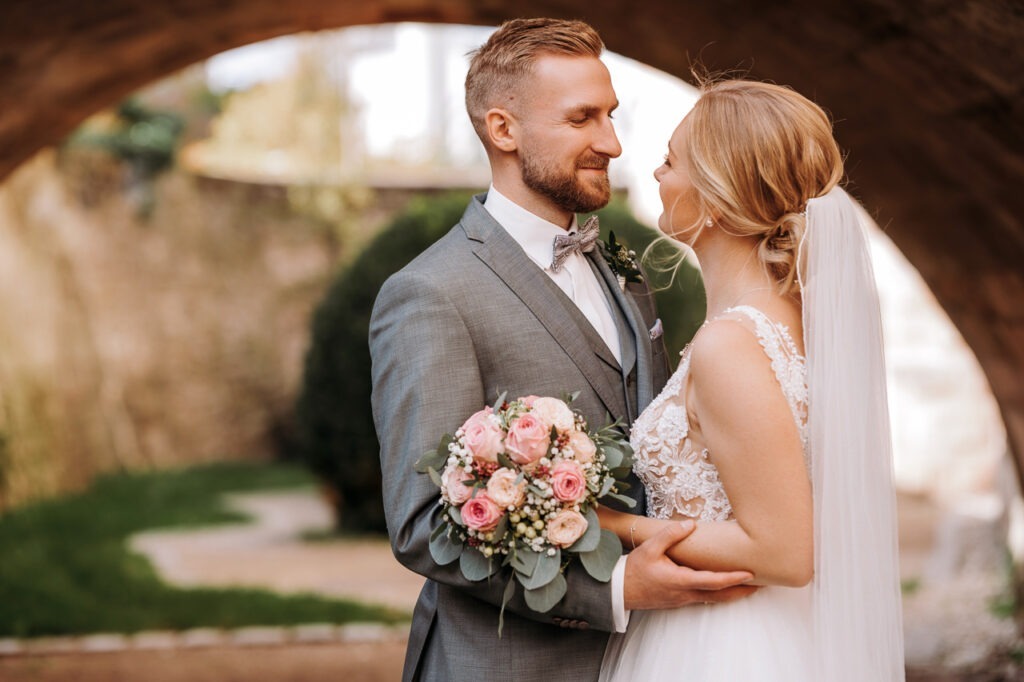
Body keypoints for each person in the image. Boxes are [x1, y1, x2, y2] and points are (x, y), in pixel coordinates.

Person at [370, 18, 755, 682]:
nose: (611, 141)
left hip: (652, 658)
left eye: (610, 114)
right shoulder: (429, 294)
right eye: (583, 119)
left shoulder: (620, 265)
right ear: (503, 130)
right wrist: (617, 589)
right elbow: (425, 525)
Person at [597, 79, 905, 680]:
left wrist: (610, 524)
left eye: (671, 160)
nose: (658, 174)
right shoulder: (793, 328)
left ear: (714, 195)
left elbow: (784, 552)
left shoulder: (731, 345)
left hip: (725, 646)